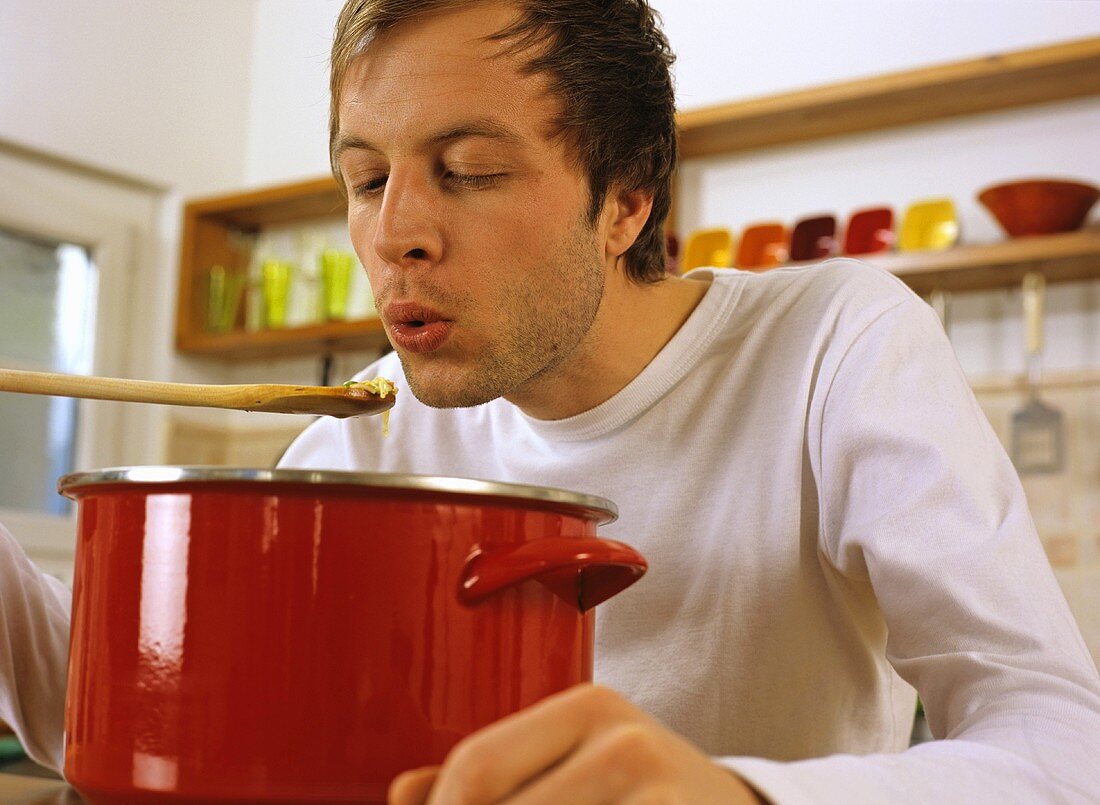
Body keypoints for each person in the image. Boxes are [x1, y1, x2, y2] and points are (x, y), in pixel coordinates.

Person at [0, 0, 1098, 802]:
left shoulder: (832, 343)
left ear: (624, 200)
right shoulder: (384, 414)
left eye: (469, 168)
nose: (393, 235)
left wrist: (737, 795)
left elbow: (1059, 742)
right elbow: (113, 714)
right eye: (368, 177)